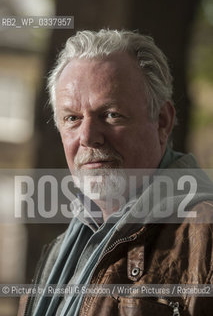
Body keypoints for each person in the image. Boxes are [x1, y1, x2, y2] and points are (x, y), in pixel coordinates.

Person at [18, 29, 213, 316]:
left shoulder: (205, 240)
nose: (88, 136)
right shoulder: (64, 248)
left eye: (111, 114)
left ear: (162, 121)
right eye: (72, 118)